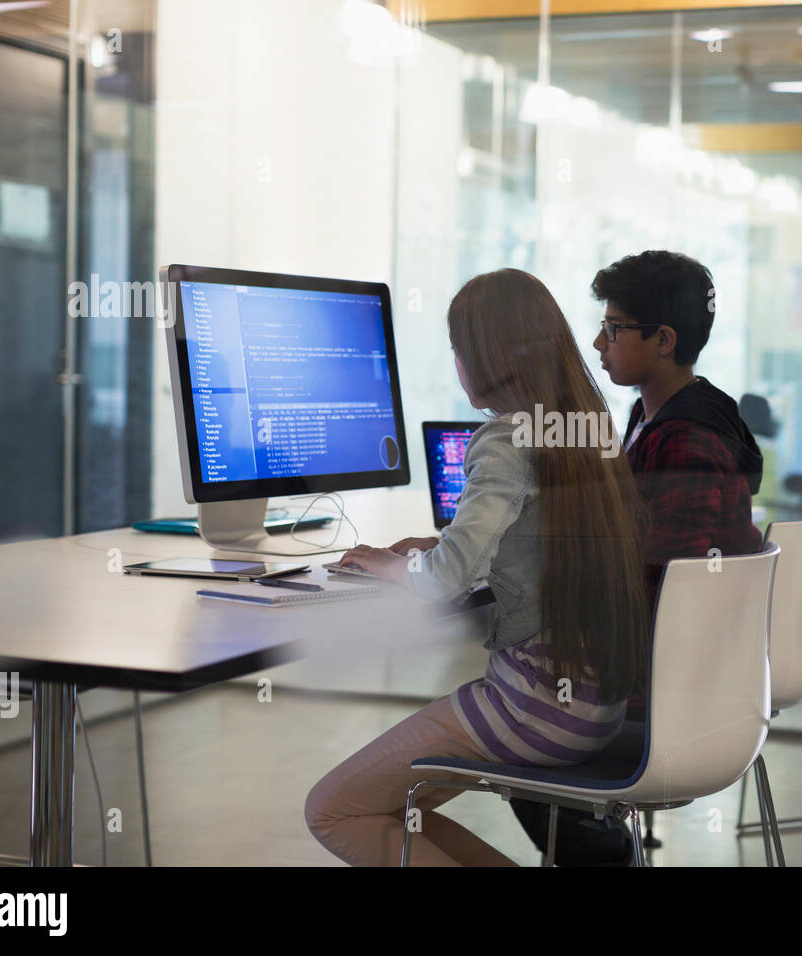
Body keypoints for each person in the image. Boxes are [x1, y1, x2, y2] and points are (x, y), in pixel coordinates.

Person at [304, 268, 651, 867]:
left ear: (484, 357)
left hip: (533, 708)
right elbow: (542, 546)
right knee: (395, 806)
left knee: (334, 808)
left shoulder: (503, 437)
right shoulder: (586, 428)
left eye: (457, 352)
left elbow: (443, 580)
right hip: (596, 710)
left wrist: (394, 566)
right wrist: (446, 544)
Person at [510, 249, 764, 864]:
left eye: (615, 328)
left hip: (676, 688)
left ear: (664, 340)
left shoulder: (689, 440)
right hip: (679, 669)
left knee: (522, 728)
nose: (598, 341)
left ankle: (611, 856)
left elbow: (656, 584)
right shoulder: (654, 418)